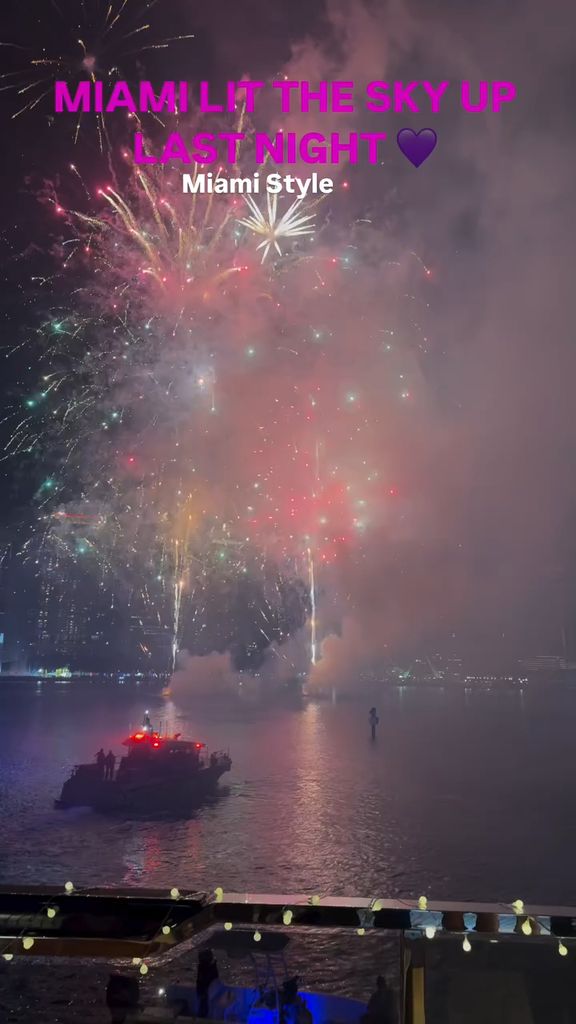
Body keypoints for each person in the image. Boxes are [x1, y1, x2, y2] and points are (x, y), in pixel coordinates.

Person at [196, 948, 219, 1018]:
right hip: (206, 989)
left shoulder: (202, 967)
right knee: (204, 1005)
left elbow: (202, 979)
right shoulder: (207, 967)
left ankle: (203, 1016)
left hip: (205, 989)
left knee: (204, 1005)